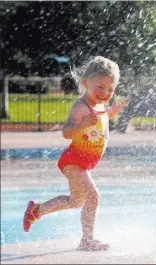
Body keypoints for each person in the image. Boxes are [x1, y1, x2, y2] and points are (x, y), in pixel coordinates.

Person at [23, 56, 127, 251]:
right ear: (86, 83)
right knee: (93, 196)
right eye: (100, 87)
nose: (105, 93)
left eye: (110, 89)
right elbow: (66, 132)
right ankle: (87, 239)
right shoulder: (81, 106)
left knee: (76, 200)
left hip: (85, 162)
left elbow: (103, 117)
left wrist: (113, 111)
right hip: (75, 161)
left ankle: (37, 210)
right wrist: (82, 124)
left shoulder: (99, 106)